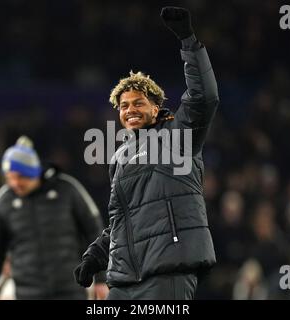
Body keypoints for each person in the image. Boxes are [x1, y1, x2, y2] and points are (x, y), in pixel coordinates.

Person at [74, 6, 219, 300]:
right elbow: (123, 220)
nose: (130, 110)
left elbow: (205, 97)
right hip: (124, 280)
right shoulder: (119, 158)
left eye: (138, 103)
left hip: (168, 271)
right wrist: (96, 255)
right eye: (124, 106)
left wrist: (189, 43)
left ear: (156, 107)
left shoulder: (178, 136)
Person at [0, 136, 108, 299]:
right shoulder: (2, 203)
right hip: (27, 294)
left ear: (34, 172)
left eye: (21, 177)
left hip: (71, 290)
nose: (15, 183)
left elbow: (95, 232)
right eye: (9, 177)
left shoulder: (67, 189)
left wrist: (101, 278)